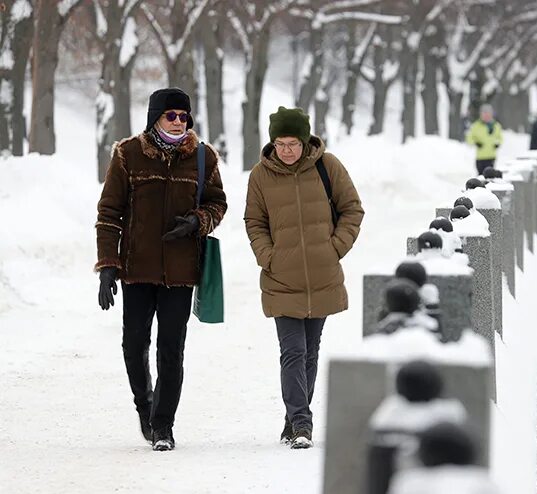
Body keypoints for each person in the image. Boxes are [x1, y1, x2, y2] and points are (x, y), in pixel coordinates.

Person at [95, 87, 228, 451]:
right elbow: (109, 214)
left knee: (172, 350)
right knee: (133, 344)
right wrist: (108, 266)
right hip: (137, 270)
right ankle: (145, 405)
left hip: (180, 274)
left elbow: (218, 203)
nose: (178, 122)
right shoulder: (128, 155)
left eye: (184, 116)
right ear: (155, 117)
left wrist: (197, 222)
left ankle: (164, 426)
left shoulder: (203, 157)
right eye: (171, 115)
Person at [244, 106, 364, 449]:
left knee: (310, 351)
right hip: (281, 279)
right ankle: (301, 422)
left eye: (292, 143)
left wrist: (335, 248)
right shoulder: (260, 176)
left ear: (305, 140)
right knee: (293, 351)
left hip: (322, 276)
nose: (286, 151)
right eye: (280, 144)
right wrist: (269, 257)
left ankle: (293, 418)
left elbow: (352, 209)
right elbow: (254, 221)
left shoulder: (329, 167)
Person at [465, 104, 503, 176]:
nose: (486, 116)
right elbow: (469, 138)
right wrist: (476, 143)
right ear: (481, 115)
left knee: (490, 176)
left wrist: (497, 143)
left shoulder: (496, 125)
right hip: (480, 157)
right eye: (484, 114)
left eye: (488, 114)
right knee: (481, 176)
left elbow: (500, 138)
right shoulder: (476, 126)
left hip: (491, 156)